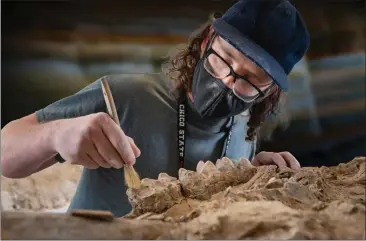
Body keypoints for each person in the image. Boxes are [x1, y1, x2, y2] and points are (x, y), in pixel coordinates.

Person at [1, 0, 310, 216]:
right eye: (224, 58)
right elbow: (5, 153)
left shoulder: (245, 130)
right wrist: (55, 135)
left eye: (250, 79)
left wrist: (254, 177)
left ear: (268, 92)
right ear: (206, 42)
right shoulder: (122, 95)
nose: (228, 80)